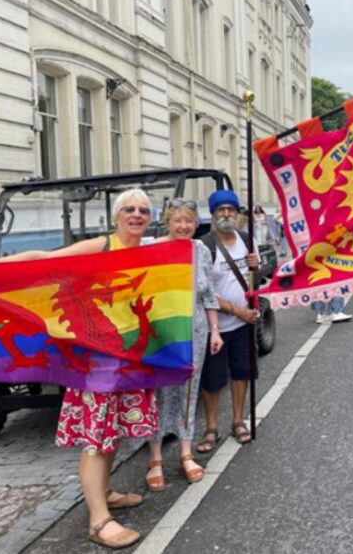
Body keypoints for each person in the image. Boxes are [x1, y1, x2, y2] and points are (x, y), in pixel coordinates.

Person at [0, 189, 156, 548]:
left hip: (127, 362)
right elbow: (44, 259)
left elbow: (183, 243)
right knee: (95, 437)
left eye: (143, 210)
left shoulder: (148, 251)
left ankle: (105, 492)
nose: (136, 214)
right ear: (117, 215)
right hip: (94, 363)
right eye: (129, 209)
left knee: (113, 432)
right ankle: (98, 521)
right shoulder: (101, 247)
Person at [145, 200, 224, 490]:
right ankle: (154, 458)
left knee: (190, 391)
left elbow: (208, 294)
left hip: (196, 331)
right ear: (167, 222)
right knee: (158, 394)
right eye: (178, 220)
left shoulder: (200, 250)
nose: (183, 226)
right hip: (162, 333)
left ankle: (185, 453)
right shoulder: (153, 249)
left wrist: (215, 330)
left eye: (189, 221)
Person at [196, 190, 261, 452]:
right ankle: (211, 428)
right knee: (212, 380)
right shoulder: (204, 245)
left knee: (242, 374)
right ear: (212, 215)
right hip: (216, 328)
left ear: (237, 213)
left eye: (230, 210)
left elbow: (255, 279)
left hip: (244, 324)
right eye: (220, 210)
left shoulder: (247, 240)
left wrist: (256, 267)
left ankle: (238, 420)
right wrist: (237, 310)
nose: (226, 214)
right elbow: (204, 291)